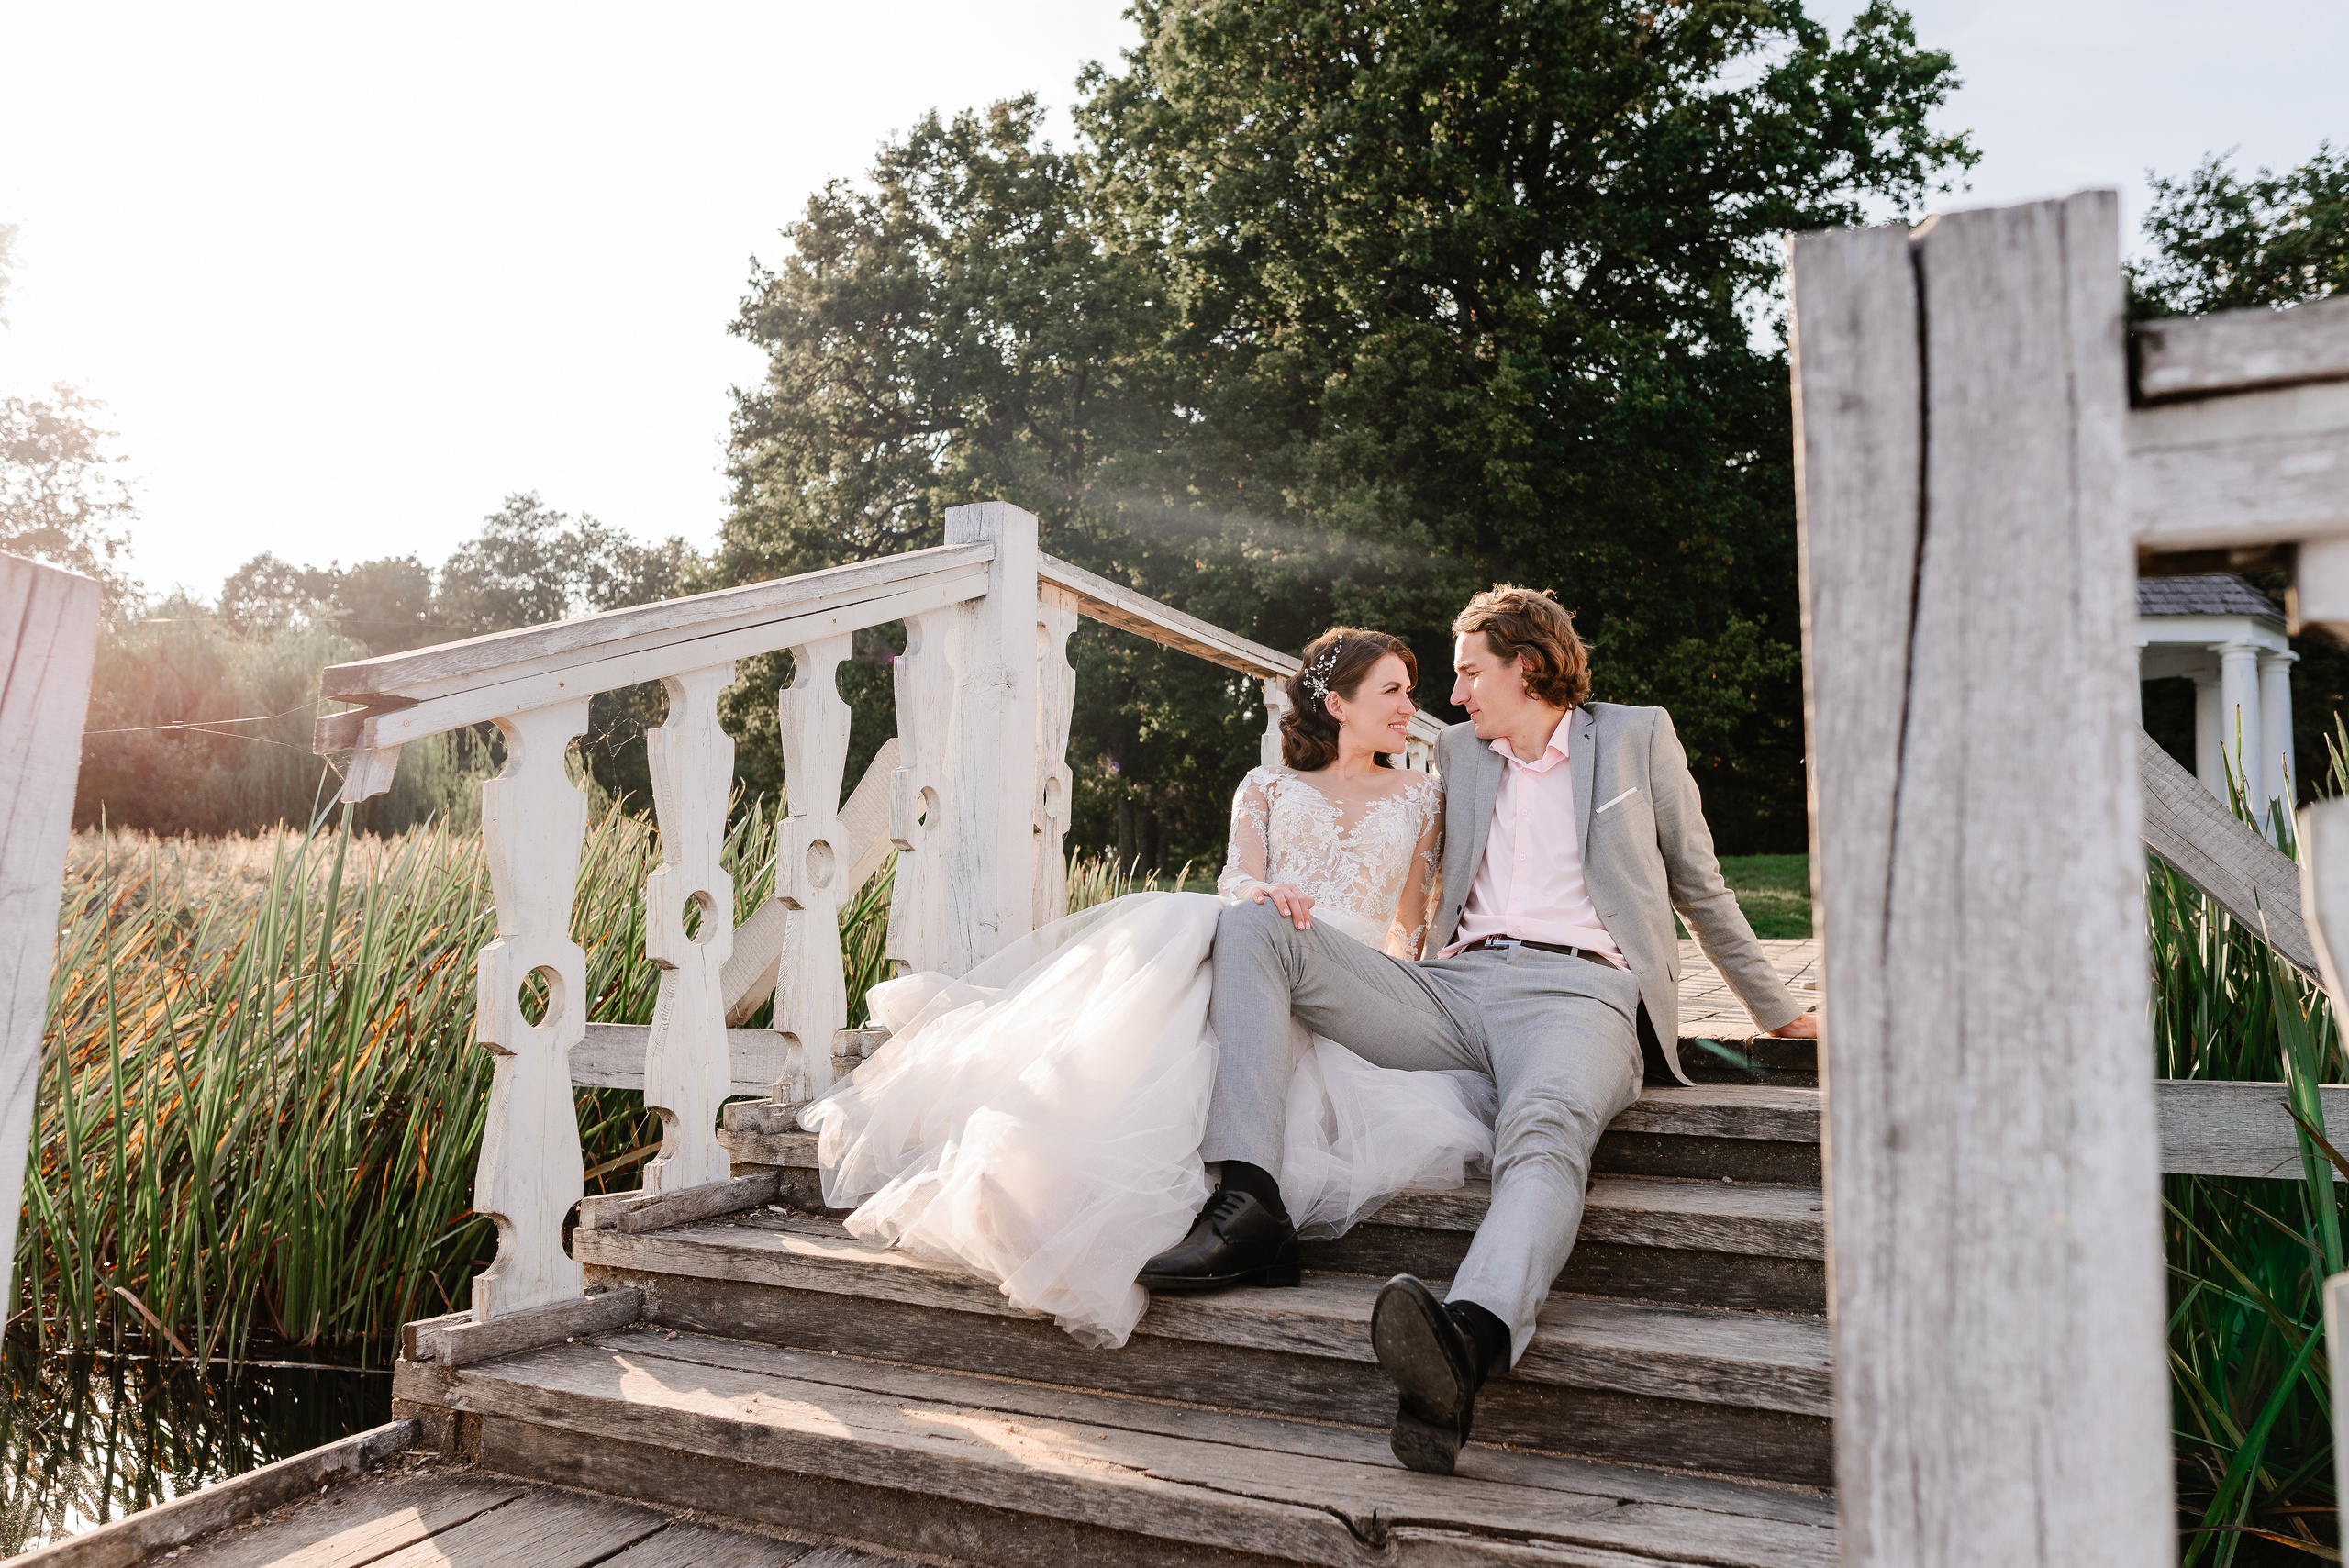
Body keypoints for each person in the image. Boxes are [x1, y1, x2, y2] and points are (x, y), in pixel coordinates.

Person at [1143, 584, 1817, 1475]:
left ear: (1526, 663)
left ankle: (1467, 1336)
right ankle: (1250, 1199)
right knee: (1252, 924)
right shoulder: (1456, 753)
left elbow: (1700, 883)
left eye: (1466, 671)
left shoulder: (1633, 733)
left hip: (1580, 995)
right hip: (1450, 984)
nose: (1450, 696)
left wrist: (1778, 1012)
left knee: (1540, 1131)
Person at [799, 628, 1492, 1351]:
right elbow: (1237, 877)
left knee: (1213, 953)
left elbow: (1411, 924)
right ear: (1337, 701)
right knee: (1193, 923)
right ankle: (1049, 1174)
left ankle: (1193, 1204)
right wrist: (1267, 895)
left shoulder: (1423, 795)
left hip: (1347, 981)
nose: (1411, 704)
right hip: (1258, 944)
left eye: (1410, 690)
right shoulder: (1267, 786)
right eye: (1393, 689)